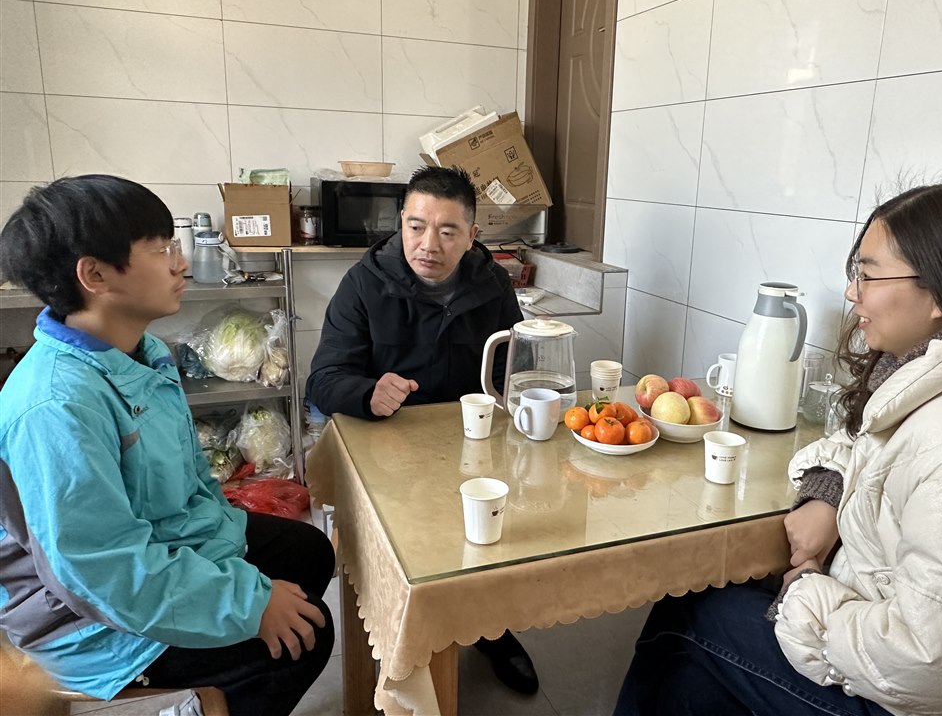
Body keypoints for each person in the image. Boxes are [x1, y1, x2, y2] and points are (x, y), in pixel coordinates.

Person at [614, 182, 942, 716]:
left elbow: (933, 663)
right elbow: (858, 440)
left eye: (869, 275)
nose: (852, 293)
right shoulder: (934, 376)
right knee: (701, 631)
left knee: (691, 616)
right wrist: (828, 494)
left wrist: (806, 593)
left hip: (920, 699)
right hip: (877, 630)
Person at [0, 175, 336, 716]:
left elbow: (191, 476)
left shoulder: (143, 351)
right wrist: (249, 602)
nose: (181, 264)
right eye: (160, 250)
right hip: (83, 618)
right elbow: (101, 571)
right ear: (95, 275)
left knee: (309, 553)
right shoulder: (56, 406)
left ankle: (218, 693)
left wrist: (231, 566)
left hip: (163, 547)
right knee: (306, 637)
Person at [306, 164, 540, 695]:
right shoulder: (365, 282)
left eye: (447, 231)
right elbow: (323, 379)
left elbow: (516, 365)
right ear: (401, 223)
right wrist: (367, 392)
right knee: (407, 556)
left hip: (472, 444)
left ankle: (491, 629)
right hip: (389, 451)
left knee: (491, 538)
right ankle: (396, 632)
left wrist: (531, 389)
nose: (428, 244)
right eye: (416, 226)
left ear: (472, 235)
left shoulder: (492, 284)